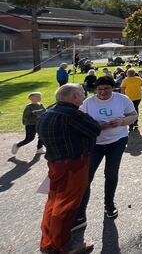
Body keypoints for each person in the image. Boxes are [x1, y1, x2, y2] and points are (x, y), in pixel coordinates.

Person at [37, 84, 101, 254]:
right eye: (81, 94)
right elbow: (95, 129)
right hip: (74, 164)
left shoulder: (47, 112)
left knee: (53, 203)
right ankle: (62, 246)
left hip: (55, 163)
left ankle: (48, 242)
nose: (83, 97)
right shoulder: (72, 114)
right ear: (74, 96)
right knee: (66, 206)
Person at [73, 76, 137, 228]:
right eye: (99, 89)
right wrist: (96, 126)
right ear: (95, 89)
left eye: (106, 89)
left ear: (112, 88)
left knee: (111, 174)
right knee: (86, 177)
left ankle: (109, 204)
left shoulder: (122, 99)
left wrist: (122, 122)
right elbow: (79, 122)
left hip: (117, 141)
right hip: (94, 144)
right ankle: (80, 214)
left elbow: (133, 116)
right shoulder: (88, 103)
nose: (102, 92)